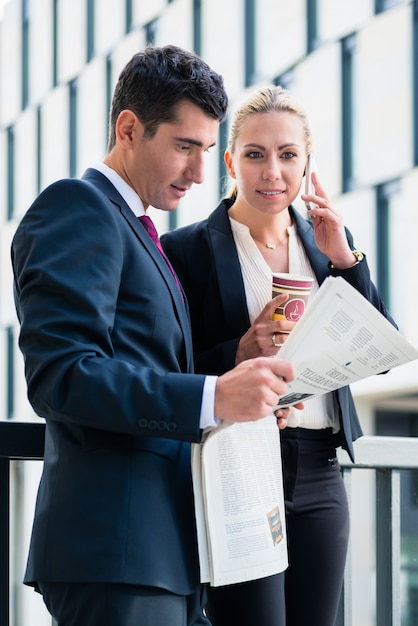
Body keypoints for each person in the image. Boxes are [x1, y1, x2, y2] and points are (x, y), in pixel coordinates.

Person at [10, 50, 298, 626]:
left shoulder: (138, 229)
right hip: (116, 550)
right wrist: (213, 397)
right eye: (184, 146)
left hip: (163, 550)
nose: (197, 172)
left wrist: (238, 375)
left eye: (207, 152)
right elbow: (61, 377)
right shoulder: (79, 207)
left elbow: (145, 361)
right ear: (128, 129)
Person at [161, 85, 397, 626]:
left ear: (307, 162)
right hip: (237, 463)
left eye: (288, 155)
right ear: (230, 161)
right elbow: (170, 364)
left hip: (319, 470)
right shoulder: (187, 250)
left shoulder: (327, 246)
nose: (273, 172)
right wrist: (238, 352)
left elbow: (377, 348)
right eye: (256, 154)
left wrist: (347, 260)